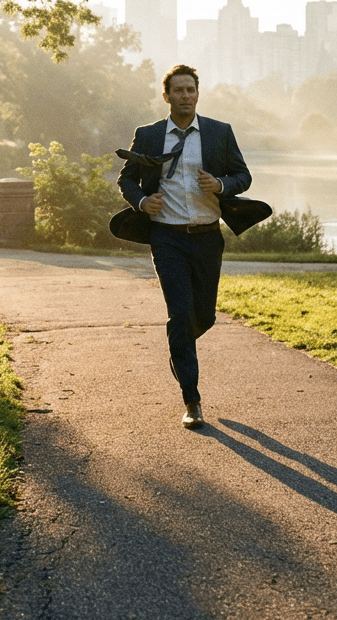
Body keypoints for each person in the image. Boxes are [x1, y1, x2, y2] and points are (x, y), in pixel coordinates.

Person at [116, 64, 253, 429]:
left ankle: (180, 345)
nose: (185, 96)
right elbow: (126, 179)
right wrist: (142, 203)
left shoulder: (218, 133)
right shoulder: (147, 135)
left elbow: (244, 176)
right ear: (167, 96)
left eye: (190, 90)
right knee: (180, 314)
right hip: (167, 237)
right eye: (178, 90)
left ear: (197, 93)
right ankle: (192, 400)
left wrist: (222, 185)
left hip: (208, 237)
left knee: (202, 317)